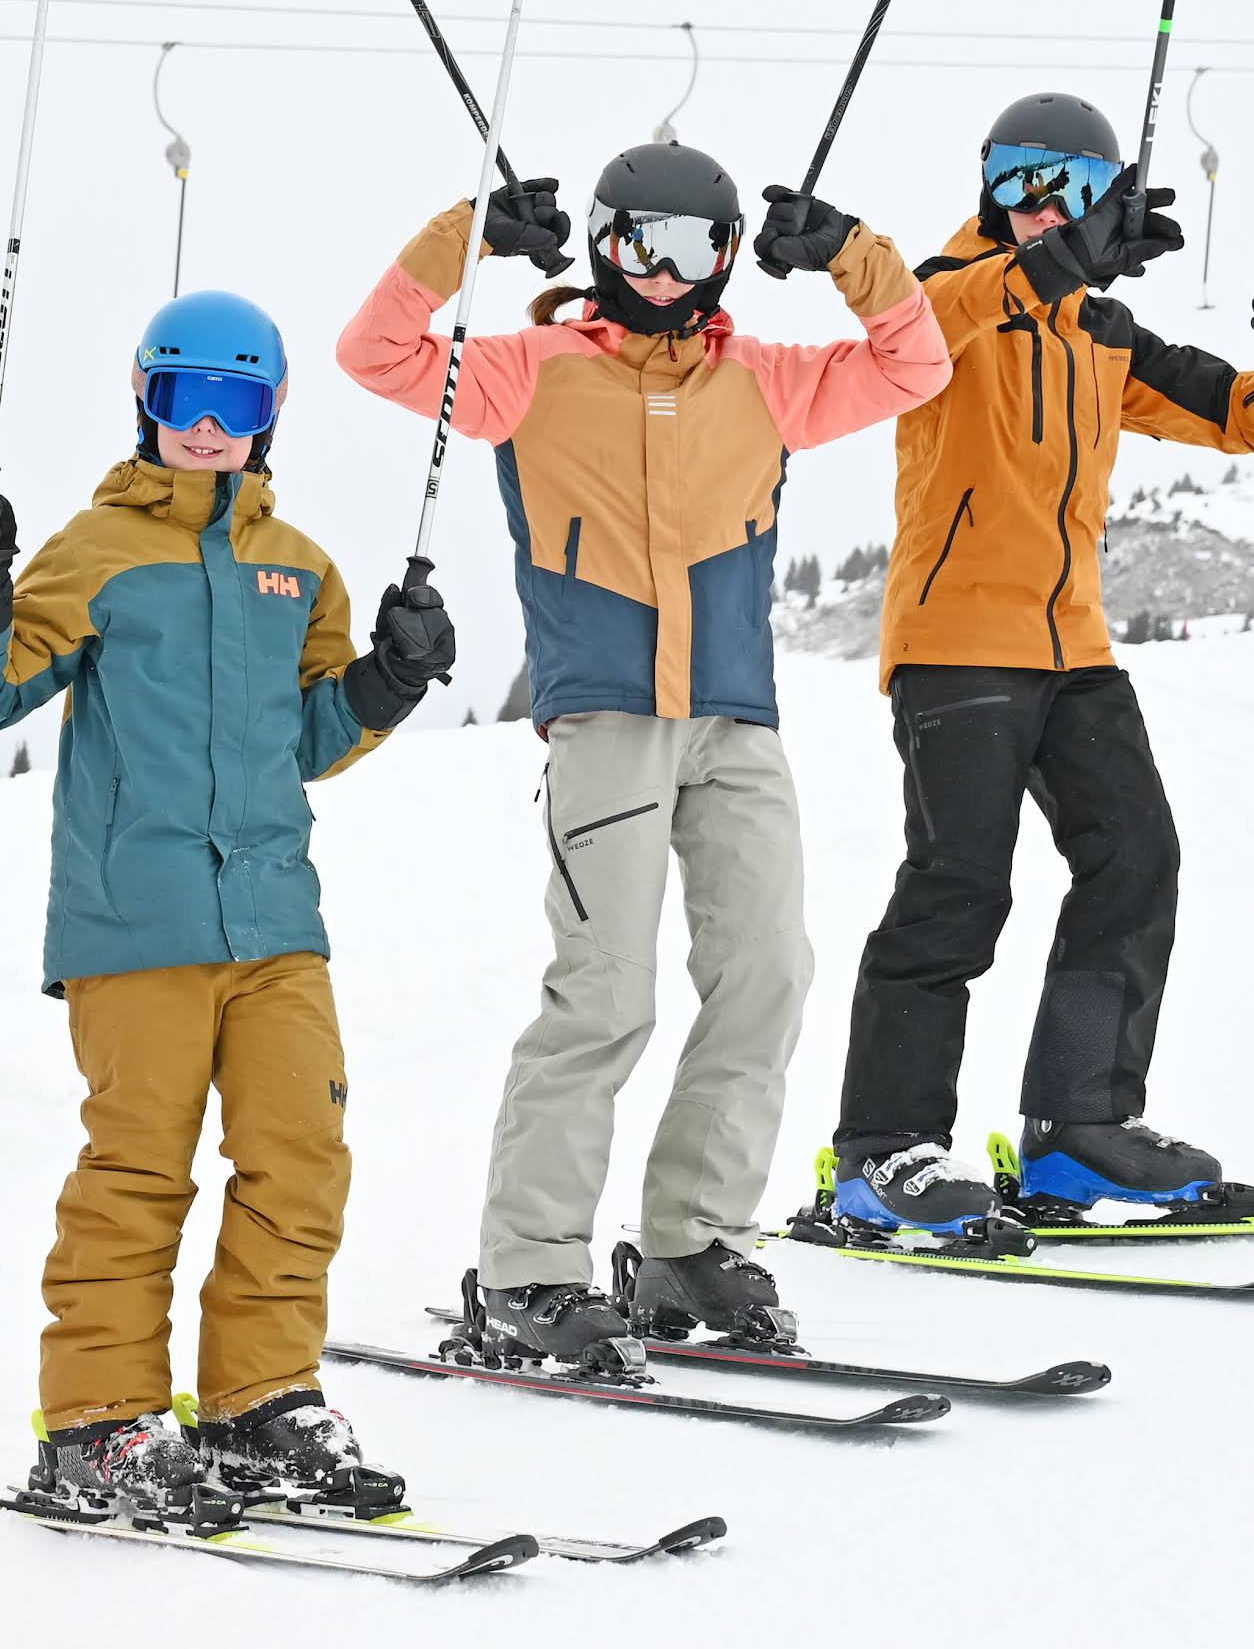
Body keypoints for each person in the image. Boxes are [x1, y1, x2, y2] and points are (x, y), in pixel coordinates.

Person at [334, 139, 953, 1366]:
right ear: (601, 244)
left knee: (766, 972)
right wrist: (468, 236)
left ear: (725, 257)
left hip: (734, 719)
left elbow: (912, 362)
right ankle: (528, 1266)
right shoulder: (530, 371)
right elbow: (378, 352)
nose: (660, 272)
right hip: (607, 720)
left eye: (689, 248)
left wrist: (848, 253)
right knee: (604, 993)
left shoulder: (766, 379)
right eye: (635, 244)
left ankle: (692, 1237)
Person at [0, 291, 455, 1524]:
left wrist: (387, 679)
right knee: (137, 1169)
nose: (205, 425)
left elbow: (309, 739)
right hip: (136, 919)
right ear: (143, 399)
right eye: (181, 397)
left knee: (299, 1154)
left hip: (274, 921)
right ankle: (98, 1423)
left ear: (269, 413)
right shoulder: (95, 549)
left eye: (233, 401)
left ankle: (258, 1402)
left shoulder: (299, 567)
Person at [807, 87, 1254, 1248]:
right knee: (957, 887)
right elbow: (917, 320)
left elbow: (1238, 416)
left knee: (1135, 859)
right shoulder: (945, 297)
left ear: (1107, 198)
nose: (1040, 204)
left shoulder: (1103, 333)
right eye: (1018, 177)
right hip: (956, 641)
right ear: (986, 183)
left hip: (1072, 647)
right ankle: (881, 1151)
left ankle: (1079, 1126)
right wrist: (1048, 266)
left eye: (1071, 186)